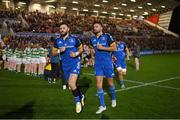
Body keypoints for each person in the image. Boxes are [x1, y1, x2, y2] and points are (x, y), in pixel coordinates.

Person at [52, 22, 84, 113]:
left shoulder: (74, 39)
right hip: (65, 65)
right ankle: (81, 95)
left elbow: (81, 49)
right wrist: (59, 50)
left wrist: (76, 54)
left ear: (68, 29)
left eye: (64, 28)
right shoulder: (57, 40)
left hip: (75, 62)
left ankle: (77, 102)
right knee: (71, 84)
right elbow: (53, 53)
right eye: (60, 28)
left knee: (71, 82)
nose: (62, 30)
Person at [90, 21, 117, 114]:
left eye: (96, 26)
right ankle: (103, 105)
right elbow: (92, 48)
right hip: (98, 64)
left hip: (107, 63)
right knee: (98, 84)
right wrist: (92, 57)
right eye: (94, 27)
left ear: (101, 28)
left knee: (110, 83)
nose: (95, 28)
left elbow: (114, 48)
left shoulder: (107, 36)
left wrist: (103, 48)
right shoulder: (92, 39)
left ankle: (113, 98)